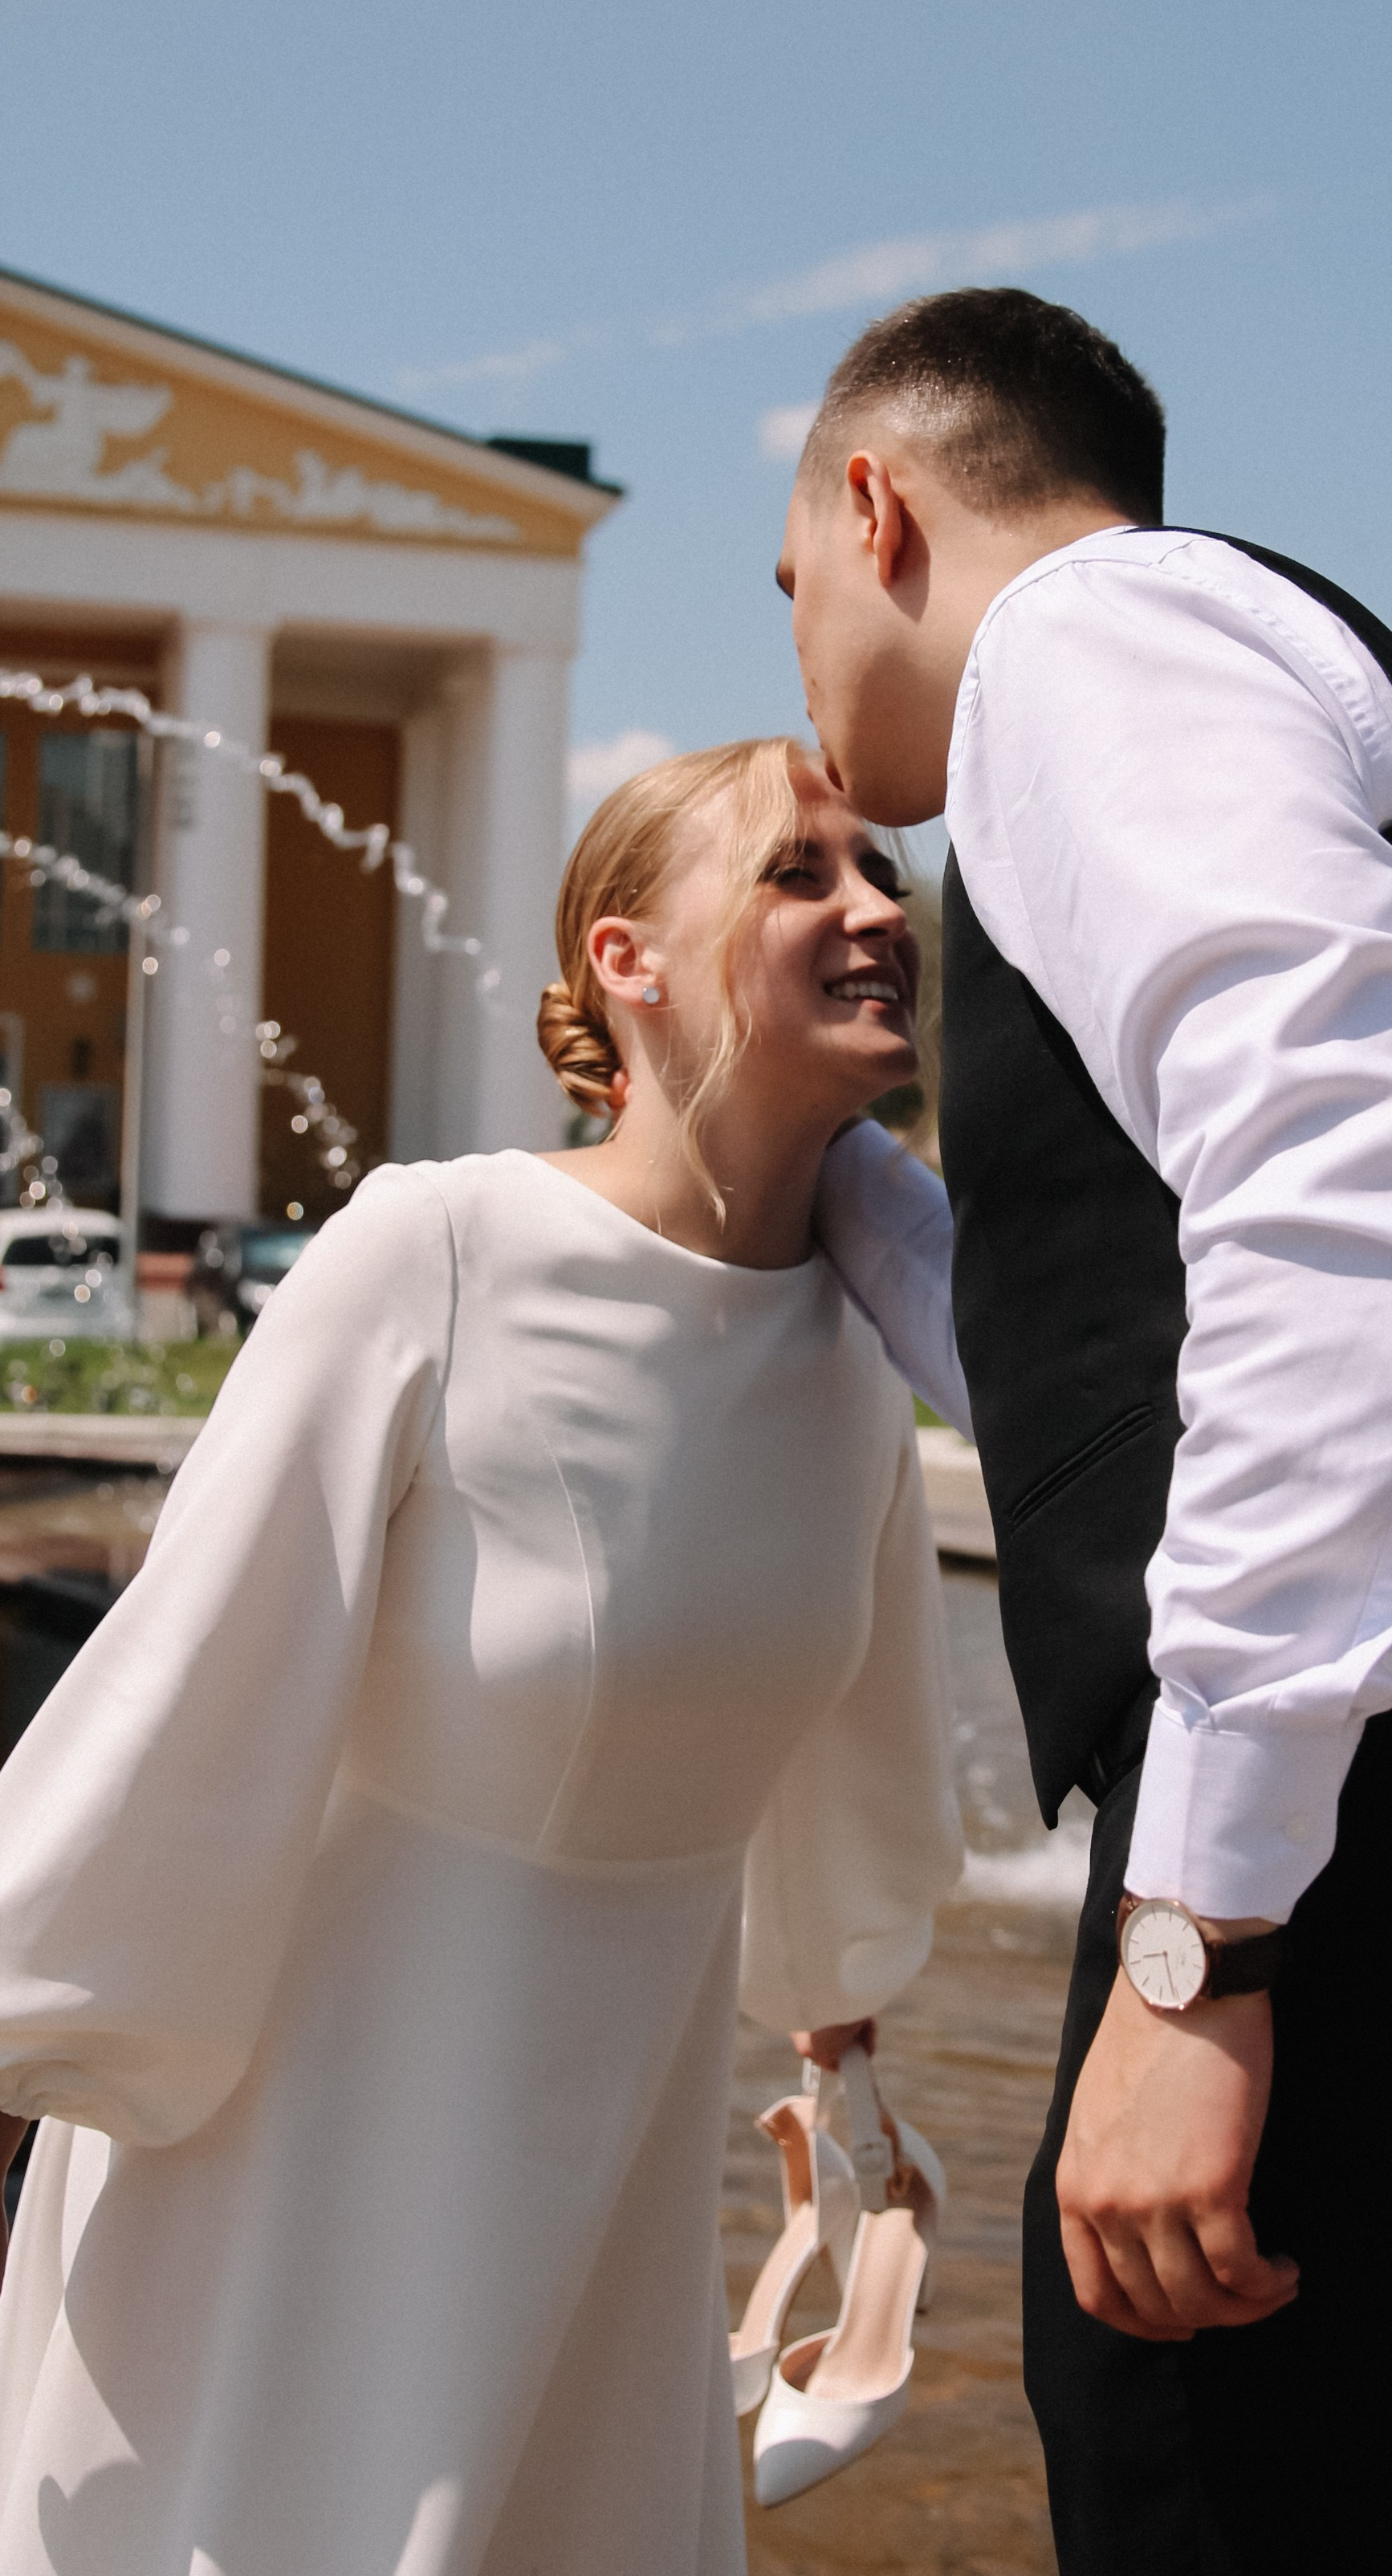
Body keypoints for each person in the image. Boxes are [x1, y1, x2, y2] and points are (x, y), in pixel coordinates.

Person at [788, 288, 1392, 2573]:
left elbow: (1347, 1248)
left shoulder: (1089, 644)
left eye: (789, 585)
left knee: (1207, 2498)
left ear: (876, 509)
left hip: (1384, 1832)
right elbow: (1137, 1362)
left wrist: (1202, 1945)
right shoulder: (1215, 660)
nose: (800, 661)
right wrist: (823, 1188)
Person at [0, 737, 964, 2576]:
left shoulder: (860, 1345)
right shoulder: (436, 1249)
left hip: (616, 2207)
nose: (876, 910)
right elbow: (188, 1683)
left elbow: (861, 1752)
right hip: (310, 2185)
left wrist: (844, 2030)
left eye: (884, 873)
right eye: (800, 872)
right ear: (626, 959)